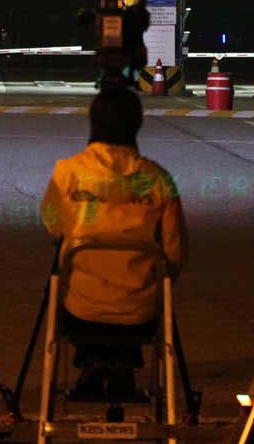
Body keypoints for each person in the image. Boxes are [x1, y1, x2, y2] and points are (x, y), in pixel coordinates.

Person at [41, 86, 188, 398]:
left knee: (67, 287)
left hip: (81, 311)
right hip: (141, 313)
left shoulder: (68, 172)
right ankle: (122, 364)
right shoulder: (157, 178)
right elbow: (175, 249)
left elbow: (52, 224)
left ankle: (92, 362)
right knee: (135, 309)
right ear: (137, 124)